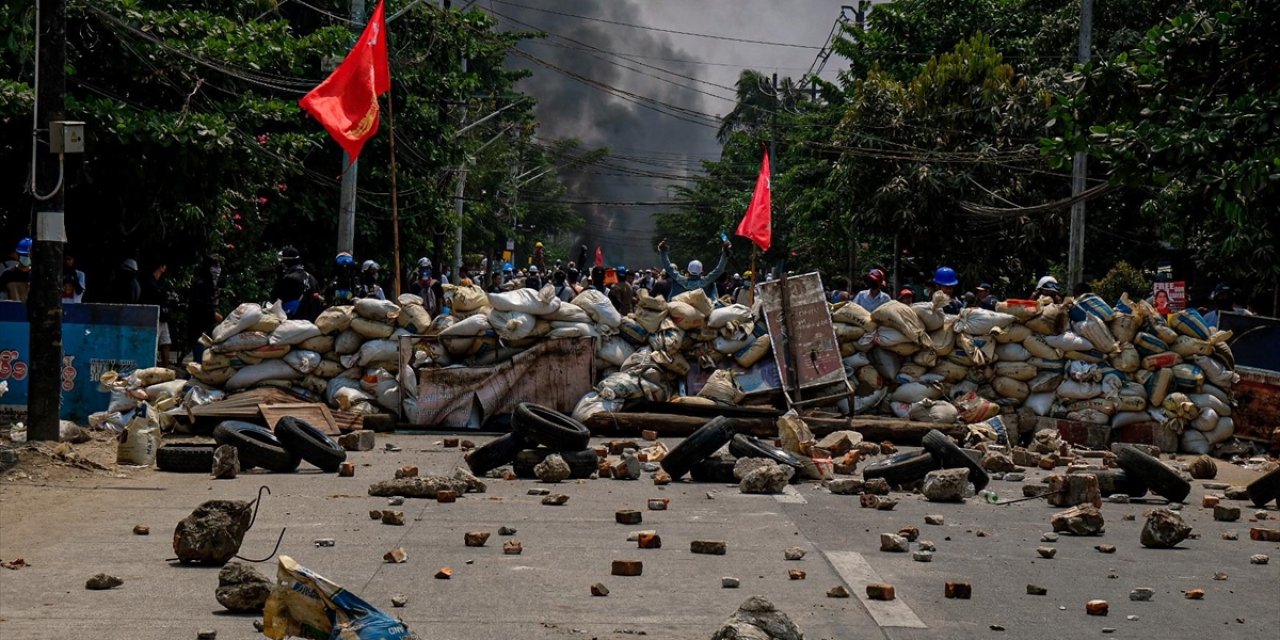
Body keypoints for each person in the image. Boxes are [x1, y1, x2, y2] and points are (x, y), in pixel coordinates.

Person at [657, 238, 730, 298]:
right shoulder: (706, 281)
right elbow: (719, 269)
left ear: (688, 271)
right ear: (701, 272)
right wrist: (724, 255)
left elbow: (668, 268)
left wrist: (663, 252)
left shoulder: (680, 280)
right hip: (704, 311)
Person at [141, 260, 179, 366]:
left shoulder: (162, 282)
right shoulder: (149, 282)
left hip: (163, 316)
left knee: (166, 343)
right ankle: (150, 365)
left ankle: (165, 367)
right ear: (160, 267)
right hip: (152, 317)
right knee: (152, 344)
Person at [186, 255, 222, 364]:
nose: (217, 270)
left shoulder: (210, 285)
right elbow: (199, 306)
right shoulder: (201, 284)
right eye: (215, 266)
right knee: (199, 358)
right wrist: (213, 314)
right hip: (198, 326)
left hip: (206, 325)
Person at [272, 246, 323, 320]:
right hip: (312, 325)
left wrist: (278, 279)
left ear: (287, 262)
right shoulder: (312, 278)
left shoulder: (289, 279)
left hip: (295, 323)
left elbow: (276, 301)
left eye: (283, 262)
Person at [0, 238, 33, 302]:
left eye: (29, 255)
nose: (27, 257)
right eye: (24, 255)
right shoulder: (8, 274)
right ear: (16, 255)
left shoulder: (36, 275)